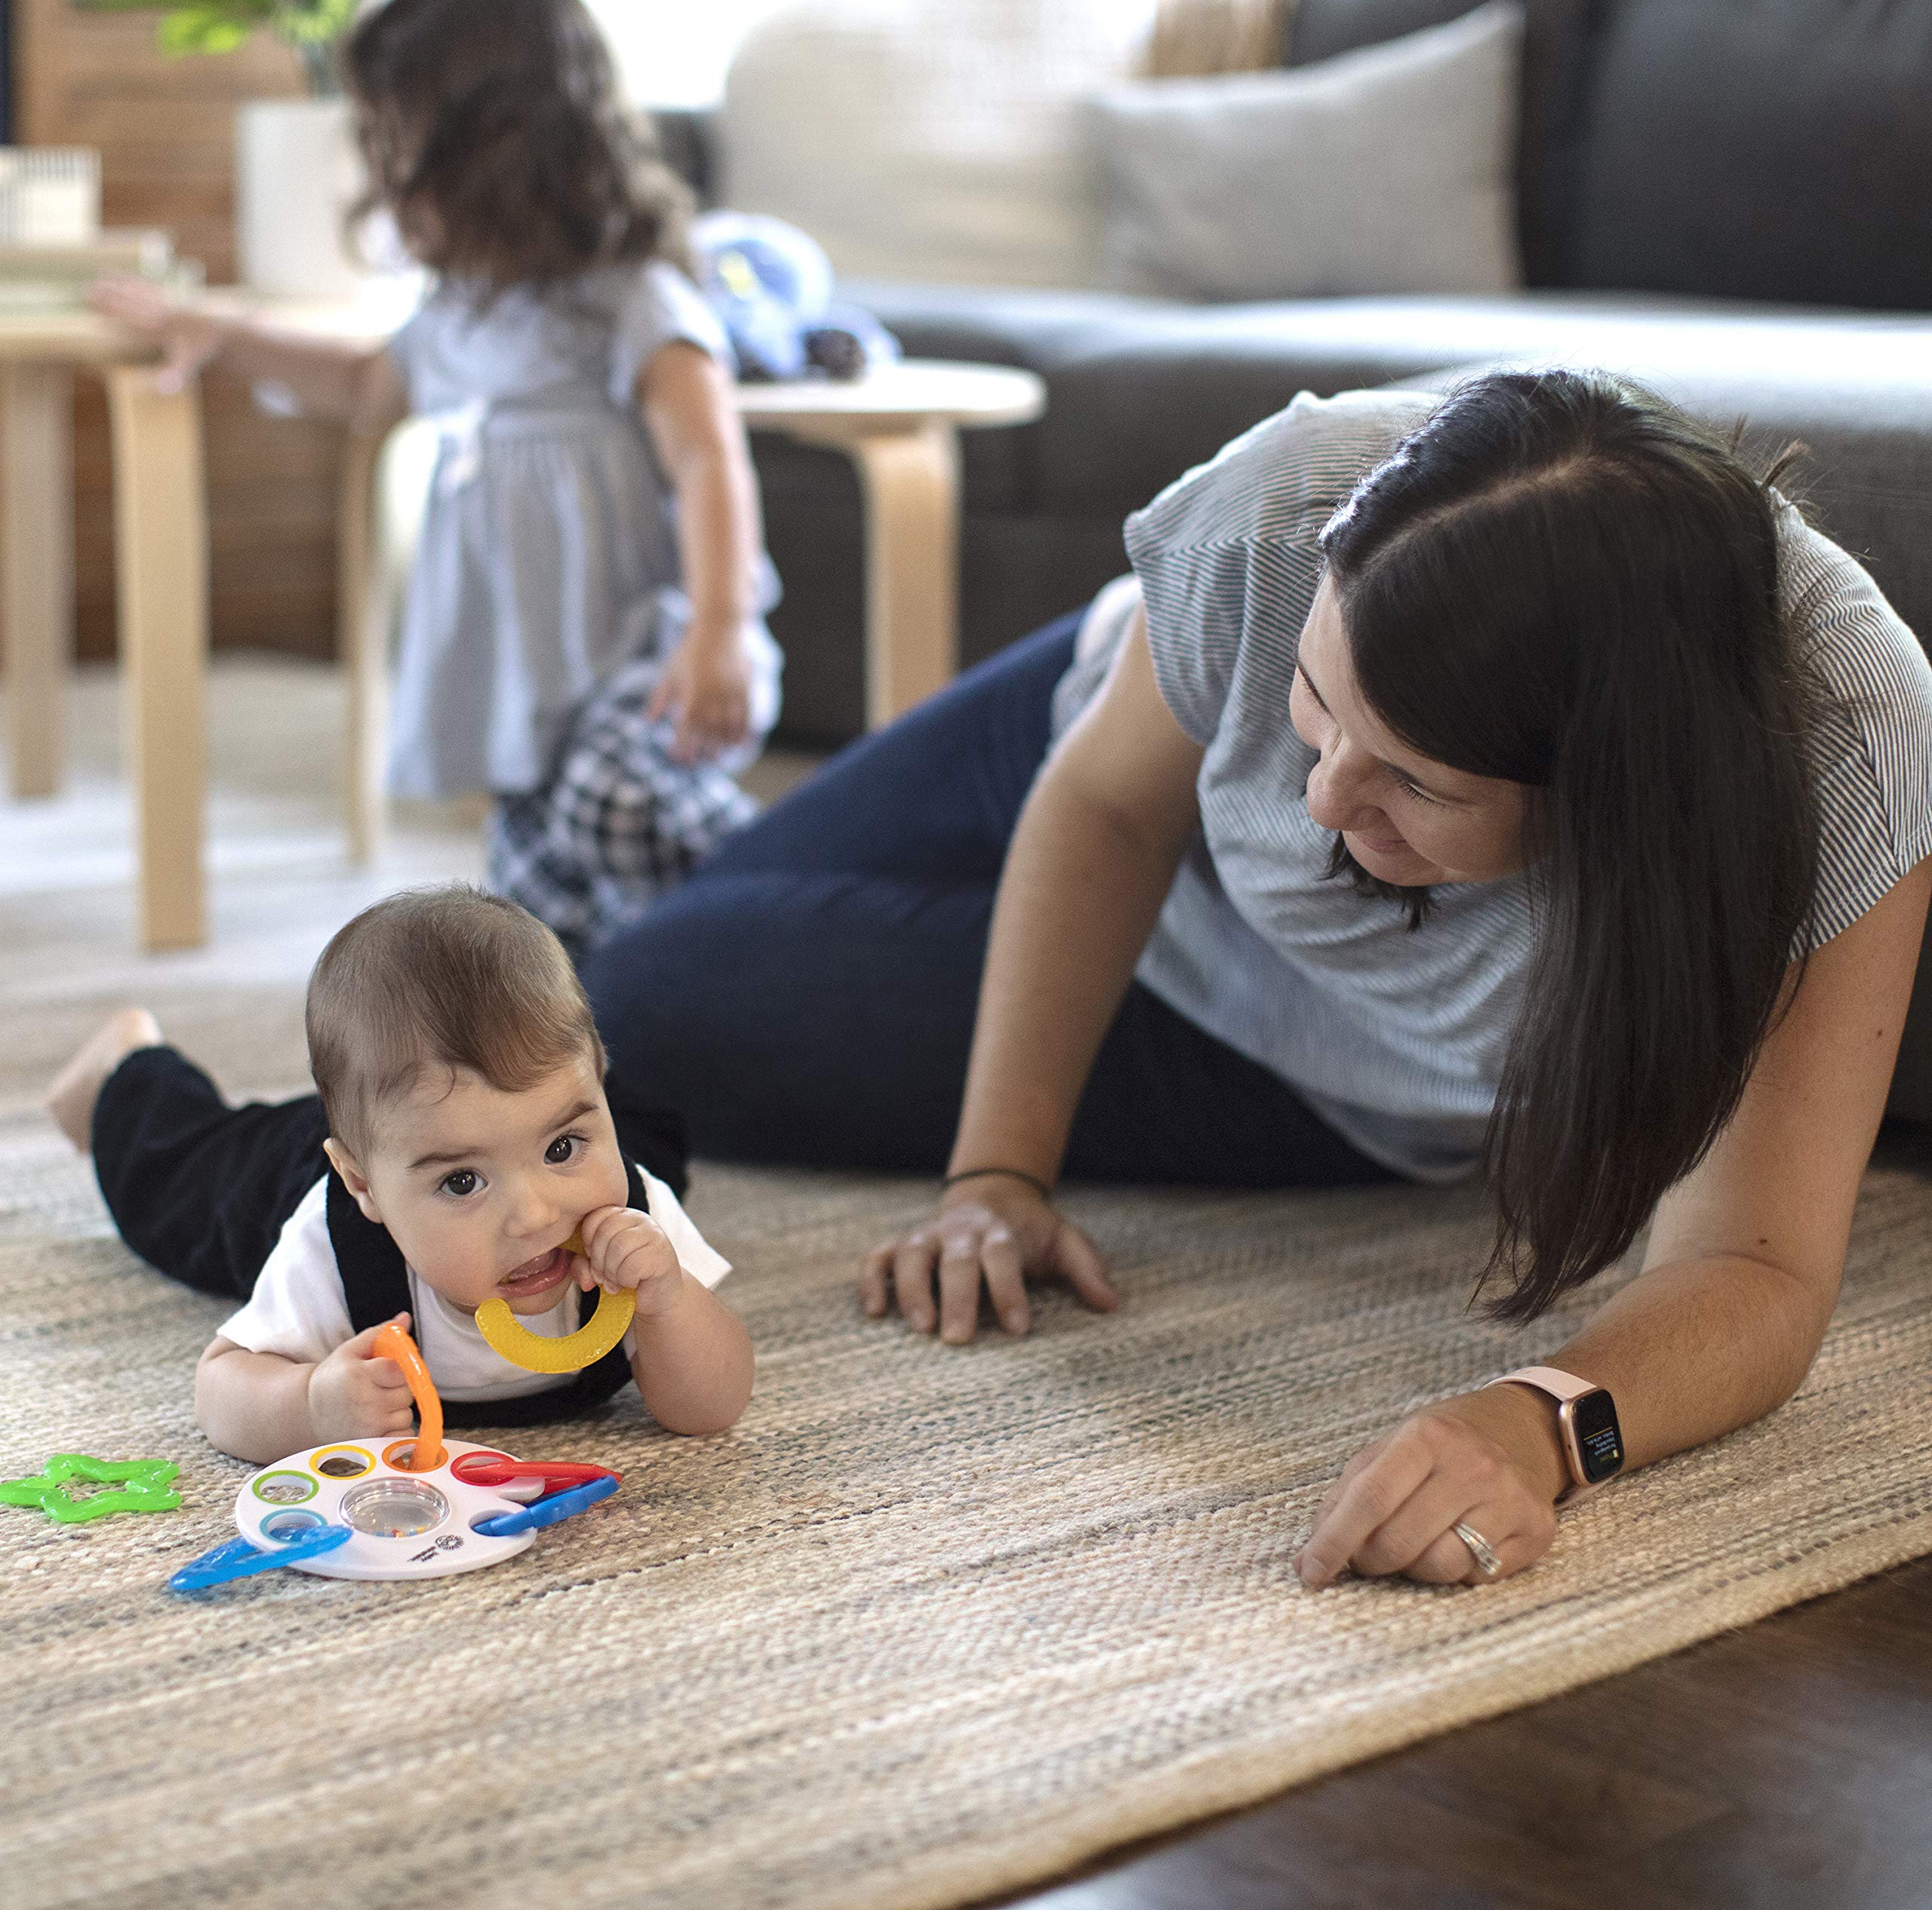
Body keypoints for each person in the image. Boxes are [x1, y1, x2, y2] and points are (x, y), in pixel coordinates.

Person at [577, 371, 1932, 1589]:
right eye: (1317, 698)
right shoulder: (1292, 501)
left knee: (642, 1014)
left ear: (1613, 803)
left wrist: (1539, 1420)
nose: (1323, 796)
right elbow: (1110, 810)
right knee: (645, 966)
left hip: (1279, 1050)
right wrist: (997, 1174)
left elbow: (1758, 1267)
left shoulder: (1848, 759)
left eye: (1414, 780)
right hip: (1089, 756)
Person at [91, 0, 781, 959]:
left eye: (393, 144)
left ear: (488, 150)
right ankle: (650, 1006)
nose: (379, 171)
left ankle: (782, 895)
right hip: (527, 690)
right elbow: (366, 386)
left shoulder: (632, 300)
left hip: (644, 663)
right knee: (537, 924)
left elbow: (713, 460)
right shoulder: (463, 312)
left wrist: (720, 628)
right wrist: (226, 331)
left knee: (613, 801)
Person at [45, 887, 754, 1465]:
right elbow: (219, 1390)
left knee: (652, 1140)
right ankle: (131, 1061)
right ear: (363, 1185)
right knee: (173, 1189)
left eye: (563, 1149)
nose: (536, 1217)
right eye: (463, 1183)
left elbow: (712, 1407)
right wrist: (313, 1405)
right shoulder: (339, 1235)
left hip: (451, 1125)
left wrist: (669, 1303)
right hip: (283, 1170)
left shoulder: (629, 1211)